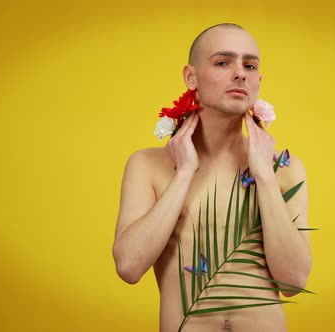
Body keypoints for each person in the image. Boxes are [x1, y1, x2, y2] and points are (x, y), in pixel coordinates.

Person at [112, 23, 312, 332]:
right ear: (191, 77)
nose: (240, 73)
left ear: (259, 80)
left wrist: (264, 177)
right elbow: (129, 267)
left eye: (250, 65)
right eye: (223, 62)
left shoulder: (284, 168)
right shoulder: (148, 164)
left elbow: (293, 281)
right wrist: (184, 175)